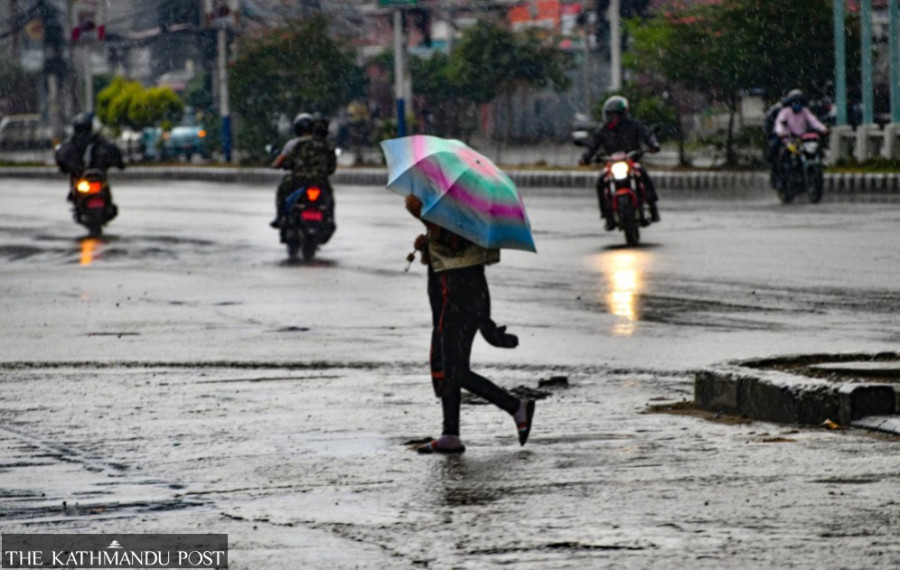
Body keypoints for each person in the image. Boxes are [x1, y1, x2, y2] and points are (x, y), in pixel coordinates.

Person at [405, 194, 535, 454]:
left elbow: (455, 242)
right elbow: (447, 250)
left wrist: (423, 217)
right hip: (453, 296)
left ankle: (515, 406)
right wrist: (426, 244)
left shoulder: (463, 206)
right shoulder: (447, 204)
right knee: (447, 365)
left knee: (454, 369)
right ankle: (450, 434)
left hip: (460, 296)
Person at [579, 96, 661, 229]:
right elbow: (592, 145)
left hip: (631, 162)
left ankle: (653, 207)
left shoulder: (634, 126)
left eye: (615, 115)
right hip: (611, 164)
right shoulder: (603, 131)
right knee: (601, 181)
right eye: (610, 115)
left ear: (623, 115)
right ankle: (606, 215)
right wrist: (585, 157)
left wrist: (653, 145)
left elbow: (647, 135)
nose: (613, 118)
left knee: (643, 173)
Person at [270, 112, 337, 240]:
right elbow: (331, 168)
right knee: (330, 198)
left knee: (282, 190)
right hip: (320, 182)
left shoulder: (296, 144)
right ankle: (330, 220)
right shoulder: (327, 146)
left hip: (299, 181)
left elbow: (286, 162)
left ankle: (280, 217)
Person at [55, 113, 125, 203]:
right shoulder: (72, 146)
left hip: (97, 181)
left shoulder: (98, 143)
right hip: (82, 183)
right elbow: (62, 159)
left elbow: (115, 154)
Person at [772, 89, 828, 188]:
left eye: (800, 102)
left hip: (802, 140)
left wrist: (823, 129)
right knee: (782, 156)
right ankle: (781, 180)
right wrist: (780, 132)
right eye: (795, 102)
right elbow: (779, 124)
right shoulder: (785, 112)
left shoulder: (805, 112)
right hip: (789, 140)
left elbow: (814, 121)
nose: (798, 105)